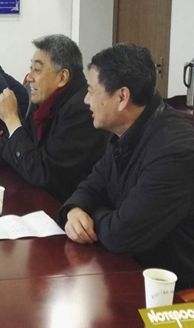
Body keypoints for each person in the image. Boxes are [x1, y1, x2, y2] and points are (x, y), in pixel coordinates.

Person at [58, 43, 194, 290]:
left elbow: (122, 235)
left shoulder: (175, 151)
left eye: (91, 91)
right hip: (127, 271)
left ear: (122, 97)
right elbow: (91, 186)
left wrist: (92, 216)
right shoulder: (125, 132)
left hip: (172, 291)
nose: (86, 100)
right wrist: (75, 210)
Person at [0, 34, 107, 202]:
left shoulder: (81, 110)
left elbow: (43, 173)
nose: (29, 77)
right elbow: (20, 137)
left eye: (37, 70)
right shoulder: (45, 99)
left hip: (66, 206)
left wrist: (11, 121)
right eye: (31, 68)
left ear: (62, 77)